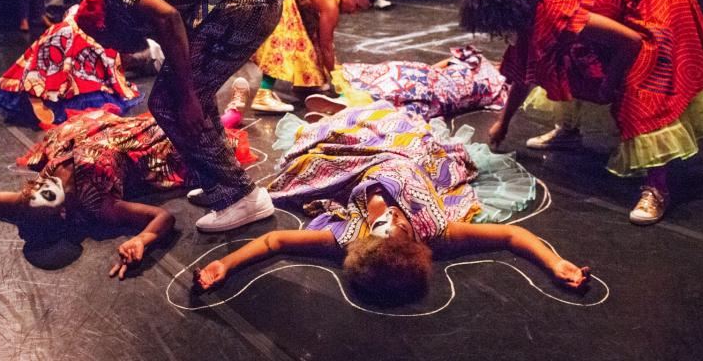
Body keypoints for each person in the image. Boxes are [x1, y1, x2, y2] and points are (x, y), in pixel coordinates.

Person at [194, 103, 589, 304]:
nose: (395, 220)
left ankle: (345, 112)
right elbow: (509, 237)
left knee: (327, 142)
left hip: (359, 166)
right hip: (412, 159)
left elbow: (274, 243)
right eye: (400, 229)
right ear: (415, 244)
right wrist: (555, 263)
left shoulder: (342, 238)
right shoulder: (436, 231)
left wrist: (224, 264)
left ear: (363, 240)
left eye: (384, 228)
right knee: (396, 125)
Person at [462, 0, 703, 225]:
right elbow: (526, 72)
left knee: (641, 86)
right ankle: (569, 132)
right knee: (564, 63)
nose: (495, 34)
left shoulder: (557, 14)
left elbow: (632, 42)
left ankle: (657, 187)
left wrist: (609, 83)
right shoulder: (530, 19)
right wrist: (503, 123)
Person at [74, 0, 284, 232]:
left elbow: (169, 18)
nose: (116, 48)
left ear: (106, 25)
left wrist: (186, 96)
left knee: (168, 102)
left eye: (108, 41)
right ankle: (220, 185)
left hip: (244, 0)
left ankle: (241, 197)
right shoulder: (133, 7)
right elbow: (175, 36)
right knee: (191, 98)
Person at [0, 107, 182, 281]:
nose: (42, 185)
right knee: (173, 132)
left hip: (83, 133)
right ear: (62, 212)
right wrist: (144, 239)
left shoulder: (30, 201)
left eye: (37, 187)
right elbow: (162, 216)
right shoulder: (98, 204)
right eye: (46, 195)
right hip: (121, 142)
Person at [0, 3, 143, 129]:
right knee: (89, 71)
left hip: (64, 33)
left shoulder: (64, 25)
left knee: (51, 57)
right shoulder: (107, 24)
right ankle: (43, 91)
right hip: (87, 38)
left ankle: (38, 90)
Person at [249, 0, 372, 112]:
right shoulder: (329, 2)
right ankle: (262, 93)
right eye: (357, 6)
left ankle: (307, 83)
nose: (354, 12)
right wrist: (339, 81)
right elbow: (326, 46)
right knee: (287, 34)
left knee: (309, 30)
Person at [307, 44, 507, 121]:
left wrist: (428, 72)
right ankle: (349, 116)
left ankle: (346, 105)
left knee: (394, 87)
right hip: (445, 93)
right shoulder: (497, 84)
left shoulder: (473, 59)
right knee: (405, 111)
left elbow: (442, 64)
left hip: (431, 78)